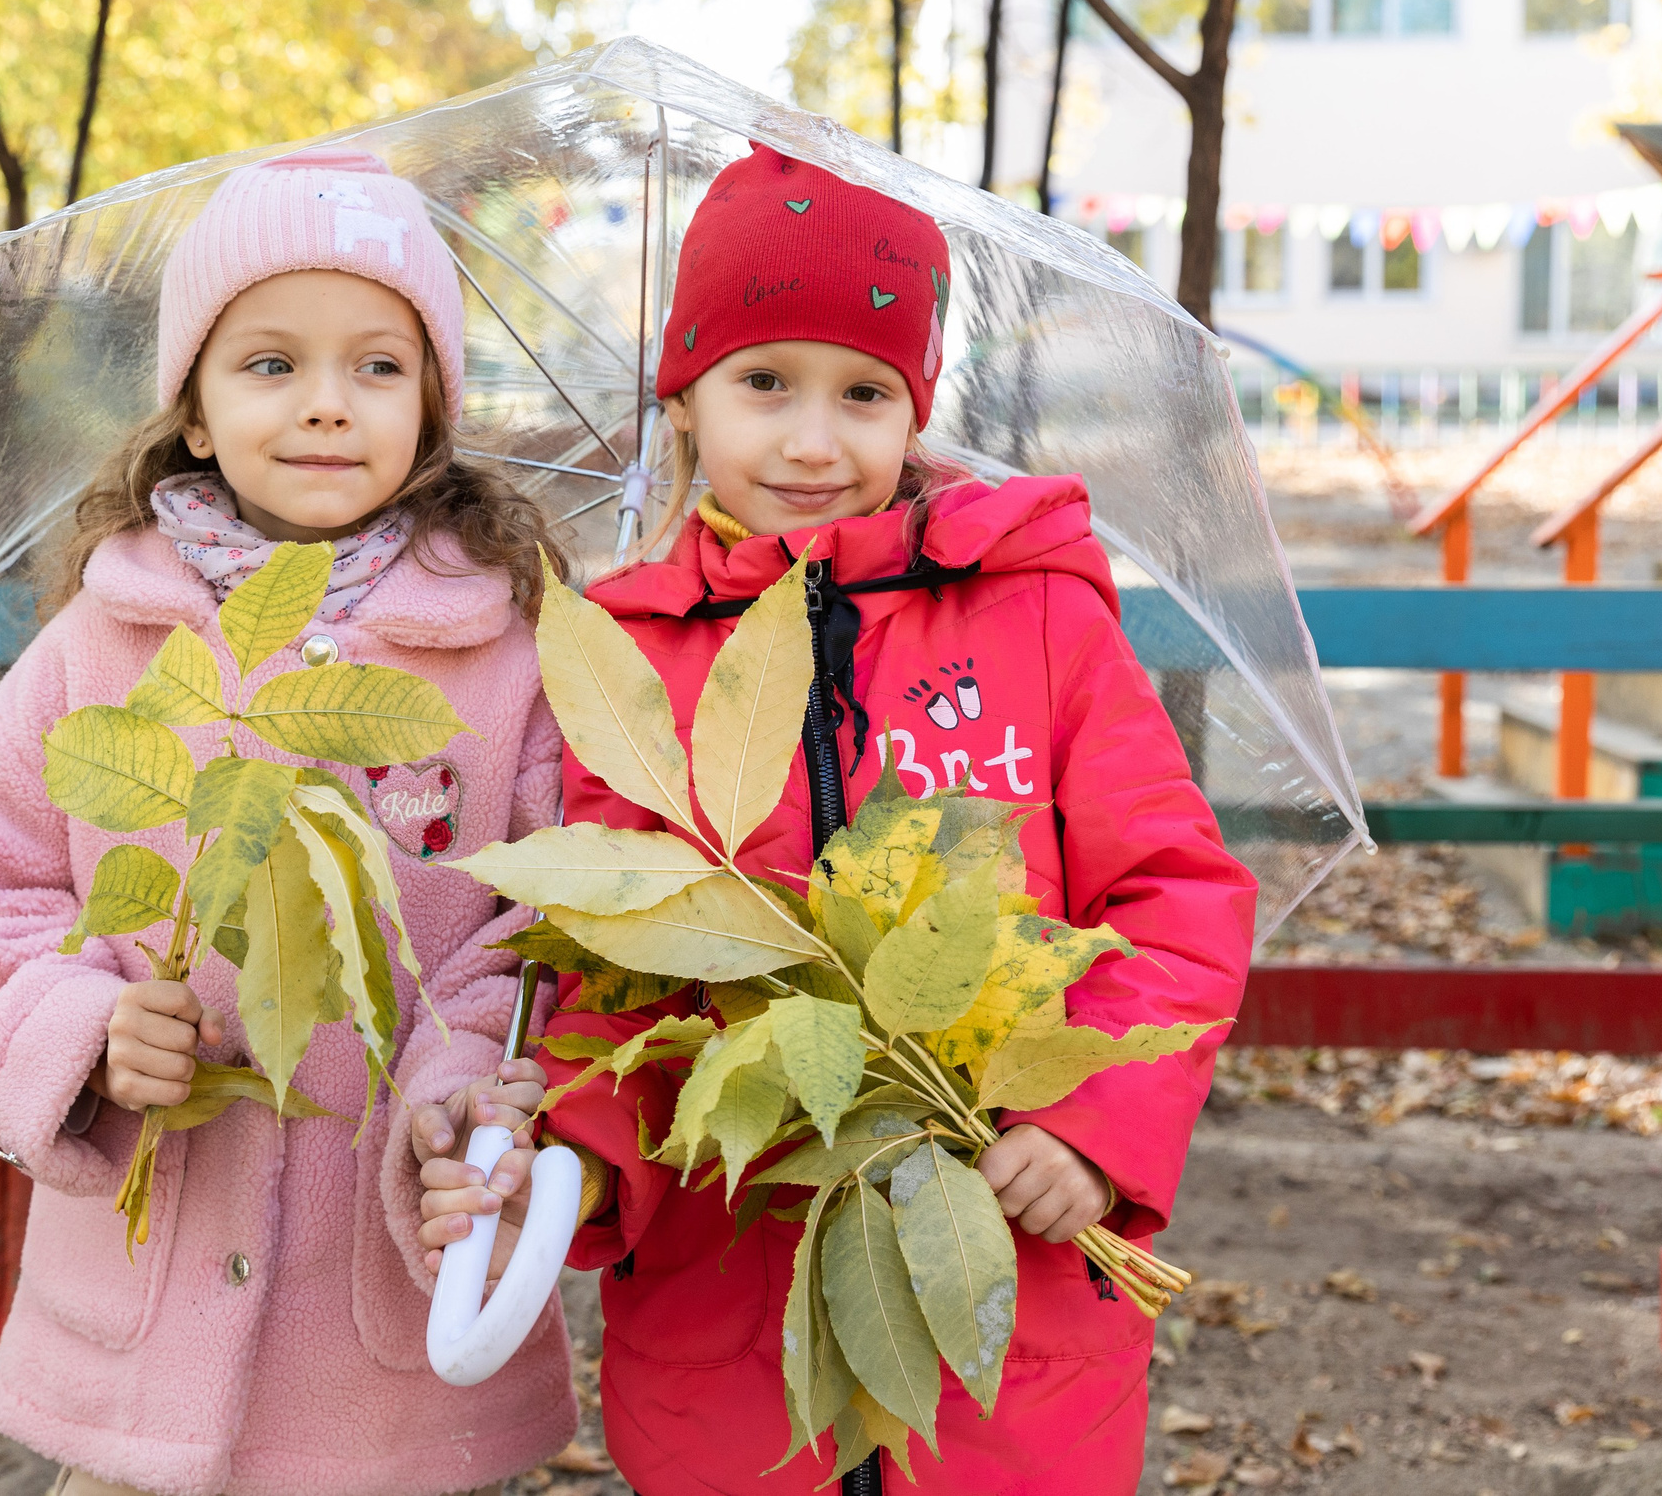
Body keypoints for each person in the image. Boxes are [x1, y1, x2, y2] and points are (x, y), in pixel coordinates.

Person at [413, 144, 1256, 1494]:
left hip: (1006, 1287)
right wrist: (578, 1153)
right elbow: (616, 983)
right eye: (765, 385)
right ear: (681, 400)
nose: (815, 441)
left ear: (914, 406)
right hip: (731, 1289)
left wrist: (1097, 1125)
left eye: (864, 393)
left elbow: (1173, 890)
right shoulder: (630, 664)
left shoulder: (1035, 616)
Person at [0, 147, 576, 1496]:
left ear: (431, 404)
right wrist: (84, 1030)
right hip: (141, 1352)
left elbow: (539, 933)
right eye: (270, 364)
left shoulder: (505, 658)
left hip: (388, 1353)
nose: (327, 405)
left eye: (378, 366)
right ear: (192, 408)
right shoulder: (107, 644)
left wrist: (464, 1093)